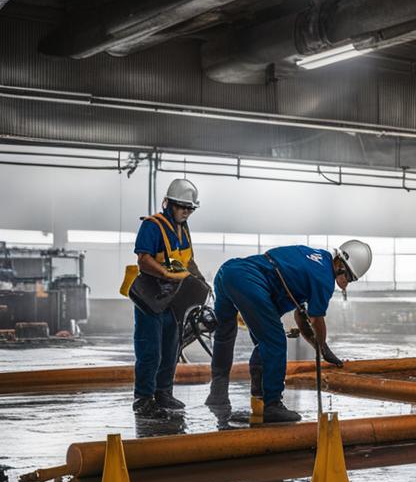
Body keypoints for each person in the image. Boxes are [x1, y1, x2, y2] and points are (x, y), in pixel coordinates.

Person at [205, 239, 371, 423]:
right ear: (339, 262)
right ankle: (272, 405)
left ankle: (218, 394)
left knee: (226, 335)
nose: (346, 283)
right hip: (248, 280)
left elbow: (301, 317)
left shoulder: (315, 258)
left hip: (228, 272)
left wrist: (320, 347)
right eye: (347, 276)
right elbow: (316, 319)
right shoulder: (324, 278)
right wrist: (322, 348)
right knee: (275, 342)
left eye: (352, 280)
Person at [131, 178, 204, 414]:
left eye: (189, 208)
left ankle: (163, 394)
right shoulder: (152, 226)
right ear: (168, 204)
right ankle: (143, 398)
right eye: (182, 207)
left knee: (171, 348)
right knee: (150, 349)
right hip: (152, 297)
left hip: (174, 299)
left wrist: (201, 281)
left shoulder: (183, 229)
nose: (186, 212)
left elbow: (187, 260)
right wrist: (166, 274)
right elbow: (143, 260)